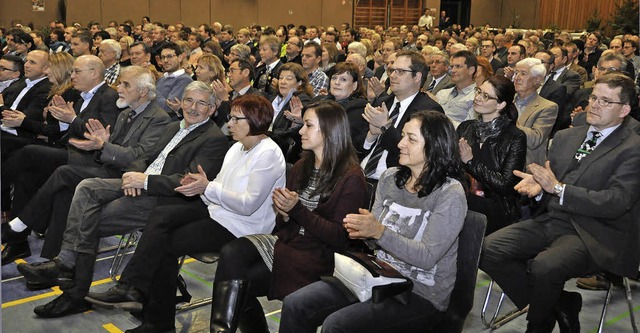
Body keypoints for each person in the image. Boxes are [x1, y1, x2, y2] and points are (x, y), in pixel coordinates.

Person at [15, 81, 229, 318]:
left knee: (88, 219)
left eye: (201, 103)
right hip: (139, 185)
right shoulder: (173, 127)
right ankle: (66, 265)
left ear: (211, 109)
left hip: (164, 200)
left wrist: (144, 182)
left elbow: (188, 182)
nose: (193, 107)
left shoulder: (214, 138)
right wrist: (132, 174)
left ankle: (73, 291)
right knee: (86, 187)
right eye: (189, 100)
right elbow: (144, 157)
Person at [85, 94, 287, 332]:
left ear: (254, 120)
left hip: (242, 227)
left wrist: (207, 186)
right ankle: (132, 289)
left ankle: (153, 315)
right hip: (218, 213)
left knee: (165, 244)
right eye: (230, 118)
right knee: (162, 216)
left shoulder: (268, 154)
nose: (229, 123)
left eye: (235, 119)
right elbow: (216, 188)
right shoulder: (236, 149)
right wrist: (199, 186)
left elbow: (247, 205)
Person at [279, 110, 467, 333]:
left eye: (411, 139)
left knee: (337, 326)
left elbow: (426, 258)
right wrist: (363, 231)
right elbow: (373, 242)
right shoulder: (390, 179)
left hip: (419, 292)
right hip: (377, 275)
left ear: (435, 146)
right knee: (295, 304)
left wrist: (378, 232)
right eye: (403, 136)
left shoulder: (450, 194)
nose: (400, 144)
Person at [481, 73, 640, 333]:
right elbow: (550, 183)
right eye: (593, 98)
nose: (595, 105)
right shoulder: (567, 137)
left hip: (596, 232)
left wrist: (557, 188)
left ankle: (538, 326)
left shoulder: (633, 148)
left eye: (605, 101)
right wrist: (540, 189)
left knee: (545, 265)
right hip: (552, 220)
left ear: (624, 110)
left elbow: (617, 201)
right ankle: (560, 303)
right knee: (488, 249)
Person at [209, 100, 368, 333]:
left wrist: (295, 211)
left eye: (308, 125)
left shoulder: (351, 178)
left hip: (320, 253)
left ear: (329, 131)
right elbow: (285, 222)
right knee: (232, 253)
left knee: (240, 283)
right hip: (292, 241)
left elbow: (339, 237)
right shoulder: (303, 165)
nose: (301, 131)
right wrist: (283, 214)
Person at [457, 75, 527, 234]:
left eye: (486, 96)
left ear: (501, 104)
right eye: (478, 91)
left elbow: (506, 185)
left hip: (494, 207)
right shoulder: (466, 128)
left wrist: (470, 163)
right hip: (461, 198)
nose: (478, 98)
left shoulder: (515, 137)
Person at [313, 62, 368, 146]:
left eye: (343, 79)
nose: (337, 82)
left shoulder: (359, 109)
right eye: (334, 78)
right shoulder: (319, 101)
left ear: (354, 85)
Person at [269, 62, 312, 162]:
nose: (283, 82)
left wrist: (265, 135)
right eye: (281, 78)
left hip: (285, 155)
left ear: (299, 83)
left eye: (289, 79)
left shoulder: (301, 101)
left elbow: (288, 135)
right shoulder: (273, 99)